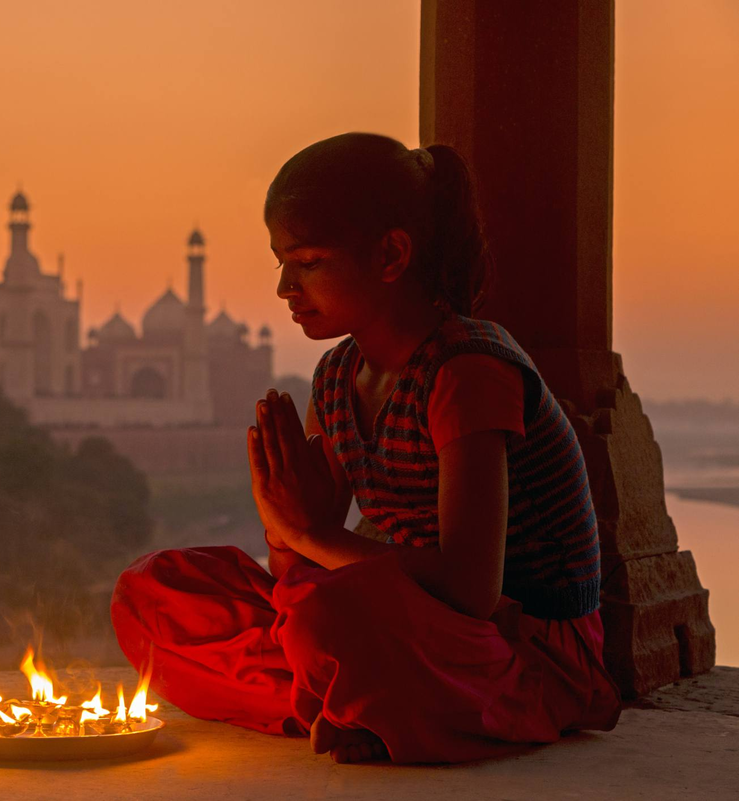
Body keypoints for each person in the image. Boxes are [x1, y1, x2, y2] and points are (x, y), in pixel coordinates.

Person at [110, 132, 622, 764]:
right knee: (153, 591)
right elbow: (302, 570)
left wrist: (310, 538)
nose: (285, 289)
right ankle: (356, 701)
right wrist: (286, 529)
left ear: (391, 255)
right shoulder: (336, 376)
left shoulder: (466, 371)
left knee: (330, 616)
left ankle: (361, 699)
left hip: (519, 645)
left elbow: (471, 590)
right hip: (402, 626)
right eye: (282, 264)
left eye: (309, 261)